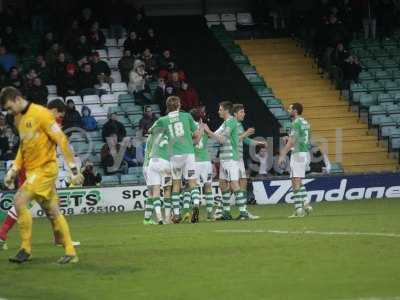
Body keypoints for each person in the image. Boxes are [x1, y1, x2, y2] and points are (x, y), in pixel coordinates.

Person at [0, 86, 83, 264]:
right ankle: (70, 252)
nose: (8, 111)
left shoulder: (41, 114)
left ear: (16, 99)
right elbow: (23, 147)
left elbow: (62, 139)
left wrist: (73, 170)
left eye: (8, 107)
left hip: (45, 169)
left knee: (19, 201)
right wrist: (14, 169)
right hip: (33, 171)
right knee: (53, 211)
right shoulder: (18, 119)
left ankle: (25, 249)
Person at [149, 96, 200, 223]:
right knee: (192, 182)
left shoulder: (163, 119)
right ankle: (196, 204)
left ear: (167, 106)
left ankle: (176, 214)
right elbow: (196, 134)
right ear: (179, 105)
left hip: (174, 155)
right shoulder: (187, 116)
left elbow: (151, 130)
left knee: (176, 183)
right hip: (188, 153)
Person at [202, 101, 247, 221]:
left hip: (230, 158)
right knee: (222, 184)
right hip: (224, 159)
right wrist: (204, 131)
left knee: (234, 183)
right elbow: (214, 135)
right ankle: (226, 212)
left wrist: (208, 131)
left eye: (220, 109)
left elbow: (221, 140)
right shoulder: (225, 123)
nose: (218, 111)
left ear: (226, 111)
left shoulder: (231, 122)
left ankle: (243, 212)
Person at [278, 103, 312, 218]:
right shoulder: (305, 122)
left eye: (290, 108)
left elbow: (292, 141)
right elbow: (301, 138)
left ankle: (298, 209)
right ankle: (306, 203)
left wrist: (282, 154)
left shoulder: (295, 122)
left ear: (295, 111)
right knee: (297, 179)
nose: (288, 110)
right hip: (305, 153)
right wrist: (290, 139)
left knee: (295, 181)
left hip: (298, 153)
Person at [232, 103, 265, 219]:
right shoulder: (232, 123)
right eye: (241, 112)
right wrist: (247, 133)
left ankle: (243, 211)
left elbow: (245, 140)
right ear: (235, 114)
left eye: (244, 111)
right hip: (232, 158)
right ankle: (224, 210)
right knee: (231, 184)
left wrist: (259, 143)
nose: (244, 114)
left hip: (238, 158)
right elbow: (235, 141)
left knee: (243, 182)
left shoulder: (239, 125)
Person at [142, 128, 172, 225]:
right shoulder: (170, 136)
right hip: (163, 163)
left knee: (152, 192)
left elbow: (147, 152)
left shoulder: (152, 136)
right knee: (166, 190)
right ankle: (167, 218)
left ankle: (150, 219)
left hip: (149, 164)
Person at [190, 108, 214, 220]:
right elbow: (212, 136)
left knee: (193, 185)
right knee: (208, 186)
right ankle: (209, 214)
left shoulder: (189, 127)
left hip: (194, 160)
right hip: (206, 160)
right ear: (200, 117)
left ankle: (195, 204)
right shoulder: (205, 126)